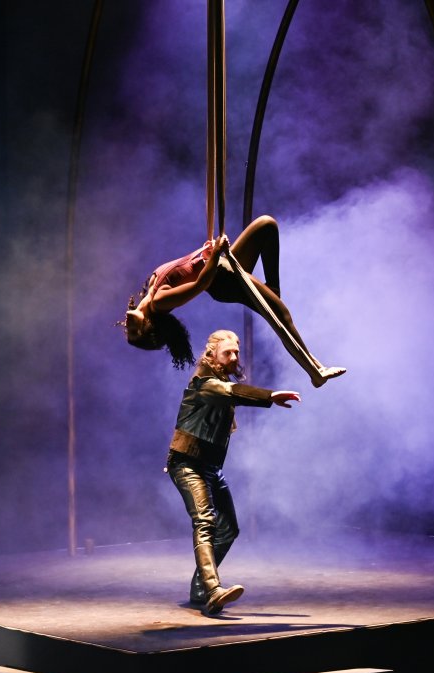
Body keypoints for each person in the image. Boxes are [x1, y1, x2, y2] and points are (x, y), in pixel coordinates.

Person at [123, 215, 345, 387]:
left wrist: (205, 253)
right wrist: (214, 253)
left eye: (127, 331)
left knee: (266, 226)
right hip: (223, 281)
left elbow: (186, 267)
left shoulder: (150, 288)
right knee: (280, 316)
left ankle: (272, 290)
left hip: (222, 266)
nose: (128, 327)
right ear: (149, 328)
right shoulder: (159, 302)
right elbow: (200, 284)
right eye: (135, 332)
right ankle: (315, 373)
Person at [166, 329, 300, 614]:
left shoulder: (222, 381)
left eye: (236, 352)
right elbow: (231, 393)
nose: (234, 357)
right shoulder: (204, 383)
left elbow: (230, 393)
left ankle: (199, 587)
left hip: (210, 467)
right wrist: (269, 396)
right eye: (227, 352)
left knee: (229, 528)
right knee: (205, 521)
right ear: (211, 354)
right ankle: (213, 589)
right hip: (187, 464)